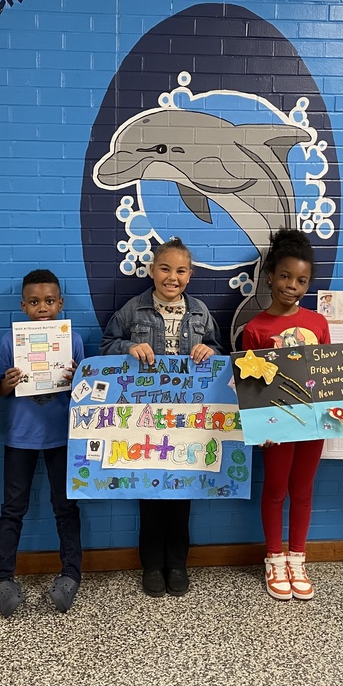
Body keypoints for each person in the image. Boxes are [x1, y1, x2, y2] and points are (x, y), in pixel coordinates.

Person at [99, 237, 220, 597]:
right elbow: (106, 346)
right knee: (150, 494)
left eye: (180, 270)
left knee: (182, 494)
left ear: (190, 274)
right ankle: (151, 565)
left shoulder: (199, 312)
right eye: (165, 269)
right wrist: (128, 347)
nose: (172, 277)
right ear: (152, 270)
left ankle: (177, 564)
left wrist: (207, 350)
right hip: (144, 419)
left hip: (187, 421)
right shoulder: (133, 310)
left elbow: (215, 350)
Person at [241, 229, 330, 601]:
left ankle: (298, 558)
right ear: (269, 276)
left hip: (312, 423)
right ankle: (274, 559)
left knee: (303, 491)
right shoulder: (255, 329)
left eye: (302, 280)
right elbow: (250, 385)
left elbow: (331, 376)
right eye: (285, 276)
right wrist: (262, 425)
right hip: (277, 426)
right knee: (276, 490)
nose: (292, 286)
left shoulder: (317, 323)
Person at [0, 270, 85, 616]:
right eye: (34, 302)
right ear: (23, 306)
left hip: (62, 436)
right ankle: (2, 577)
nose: (42, 308)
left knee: (66, 507)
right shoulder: (8, 342)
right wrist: (8, 382)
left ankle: (71, 573)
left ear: (60, 303)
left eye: (49, 301)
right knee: (12, 509)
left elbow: (84, 394)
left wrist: (78, 381)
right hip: (20, 437)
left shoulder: (72, 340)